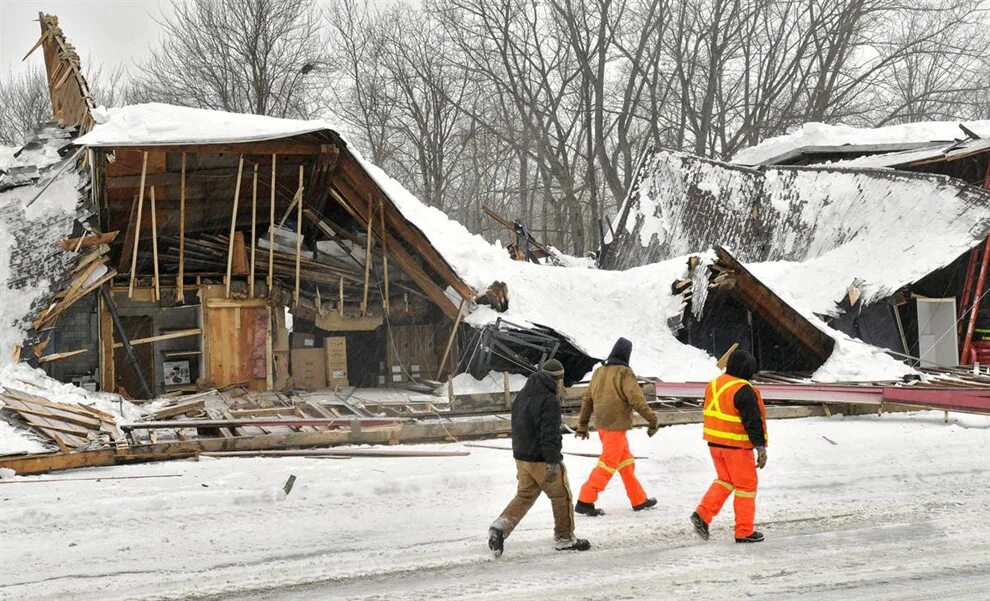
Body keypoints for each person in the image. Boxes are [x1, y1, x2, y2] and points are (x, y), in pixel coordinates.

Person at [488, 359, 591, 557]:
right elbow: (549, 434)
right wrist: (552, 462)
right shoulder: (549, 400)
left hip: (522, 458)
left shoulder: (524, 394)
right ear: (557, 379)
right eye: (561, 380)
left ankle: (500, 527)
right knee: (561, 495)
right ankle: (565, 538)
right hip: (541, 459)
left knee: (525, 496)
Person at [574, 337, 660, 516]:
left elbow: (587, 399)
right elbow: (636, 399)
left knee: (626, 462)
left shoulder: (599, 372)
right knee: (607, 465)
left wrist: (582, 424)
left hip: (604, 427)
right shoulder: (624, 373)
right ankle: (585, 500)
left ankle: (639, 499)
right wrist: (652, 420)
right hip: (615, 428)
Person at [690, 349, 768, 543]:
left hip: (715, 444)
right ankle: (744, 531)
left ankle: (702, 515)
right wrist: (760, 447)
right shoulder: (743, 389)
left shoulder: (714, 384)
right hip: (736, 447)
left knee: (725, 480)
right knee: (746, 487)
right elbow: (753, 421)